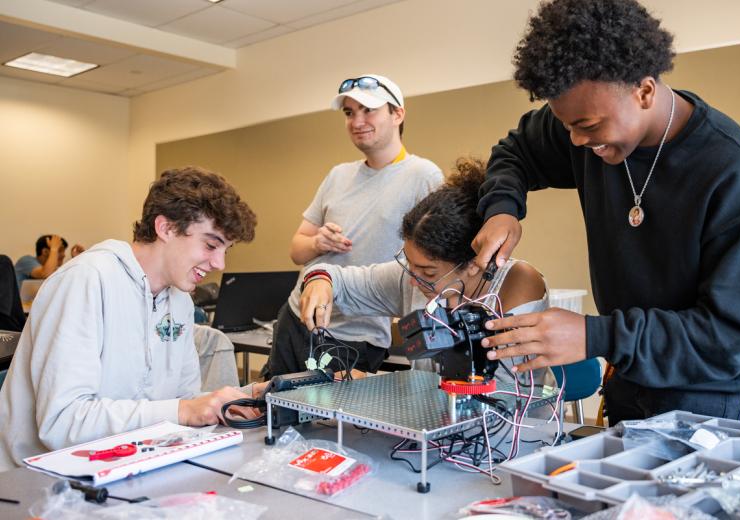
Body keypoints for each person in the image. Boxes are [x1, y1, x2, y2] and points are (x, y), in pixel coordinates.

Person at [471, 0, 740, 423]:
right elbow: (515, 152)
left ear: (645, 91)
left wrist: (595, 335)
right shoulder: (585, 123)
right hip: (630, 369)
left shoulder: (732, 173)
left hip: (704, 391)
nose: (577, 141)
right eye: (567, 126)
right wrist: (502, 208)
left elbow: (729, 340)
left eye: (589, 126)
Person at [0, 166, 265, 470]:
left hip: (123, 463)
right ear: (165, 228)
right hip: (38, 479)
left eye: (225, 250)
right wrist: (184, 410)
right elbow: (62, 424)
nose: (219, 263)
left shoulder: (177, 299)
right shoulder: (85, 280)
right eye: (210, 244)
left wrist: (242, 397)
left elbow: (183, 400)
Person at [298, 158, 548, 383]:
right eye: (409, 264)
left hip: (509, 428)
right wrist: (320, 280)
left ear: (474, 263)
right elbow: (339, 278)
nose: (413, 280)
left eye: (428, 272)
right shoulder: (413, 278)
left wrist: (376, 388)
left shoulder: (518, 284)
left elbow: (502, 393)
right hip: (429, 423)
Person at [264, 74, 443, 378]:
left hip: (357, 335)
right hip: (298, 315)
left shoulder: (423, 176)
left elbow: (439, 257)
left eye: (368, 110)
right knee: (273, 408)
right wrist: (317, 242)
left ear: (397, 113)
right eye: (349, 112)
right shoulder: (338, 175)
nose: (357, 120)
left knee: (331, 423)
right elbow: (297, 249)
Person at [14, 234, 85, 288]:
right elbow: (45, 274)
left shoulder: (54, 270)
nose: (64, 255)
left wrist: (76, 259)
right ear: (45, 252)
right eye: (60, 250)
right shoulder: (26, 261)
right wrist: (54, 249)